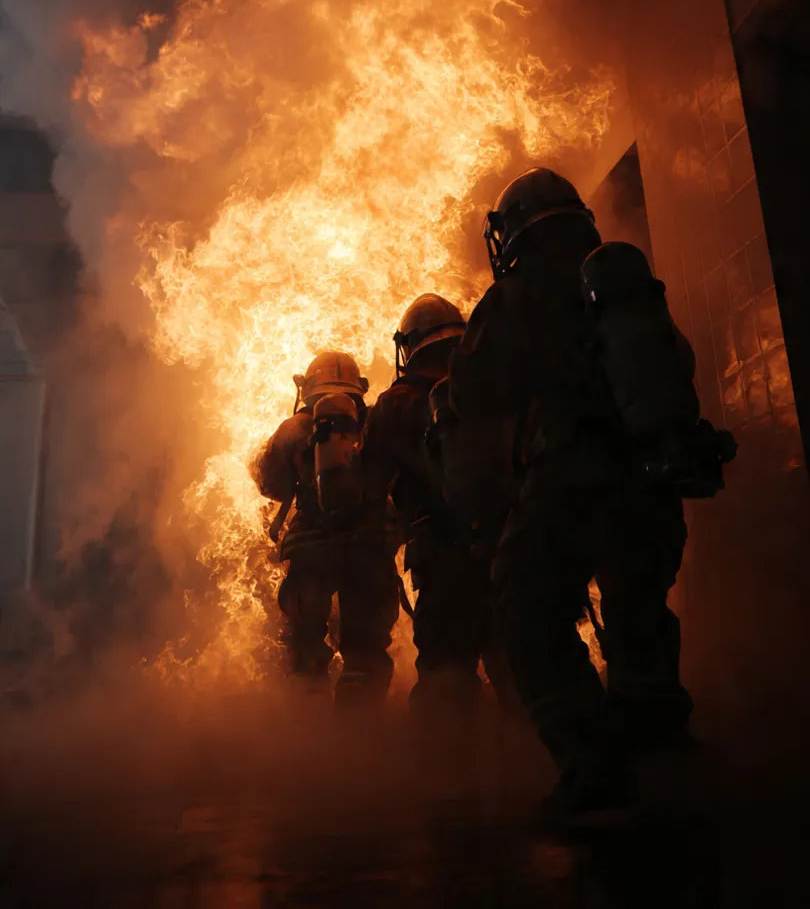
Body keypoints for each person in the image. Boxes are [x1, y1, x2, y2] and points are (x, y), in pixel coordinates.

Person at [447, 168, 716, 821]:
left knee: (525, 603)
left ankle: (593, 769)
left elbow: (470, 393)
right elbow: (678, 362)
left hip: (569, 480)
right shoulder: (620, 284)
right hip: (650, 482)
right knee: (636, 605)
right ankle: (663, 748)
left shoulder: (514, 295)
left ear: (509, 232)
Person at [363, 295, 512, 714]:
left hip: (443, 557)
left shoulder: (395, 403)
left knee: (448, 677)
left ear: (409, 347)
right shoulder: (491, 387)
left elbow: (368, 486)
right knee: (520, 667)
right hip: (508, 546)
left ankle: (448, 772)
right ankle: (536, 764)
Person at [251, 351, 400, 705]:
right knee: (365, 652)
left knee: (305, 648)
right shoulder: (375, 422)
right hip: (369, 547)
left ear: (308, 387)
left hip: (310, 550)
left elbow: (271, 484)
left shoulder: (294, 428)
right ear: (358, 386)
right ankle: (359, 737)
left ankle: (309, 736)